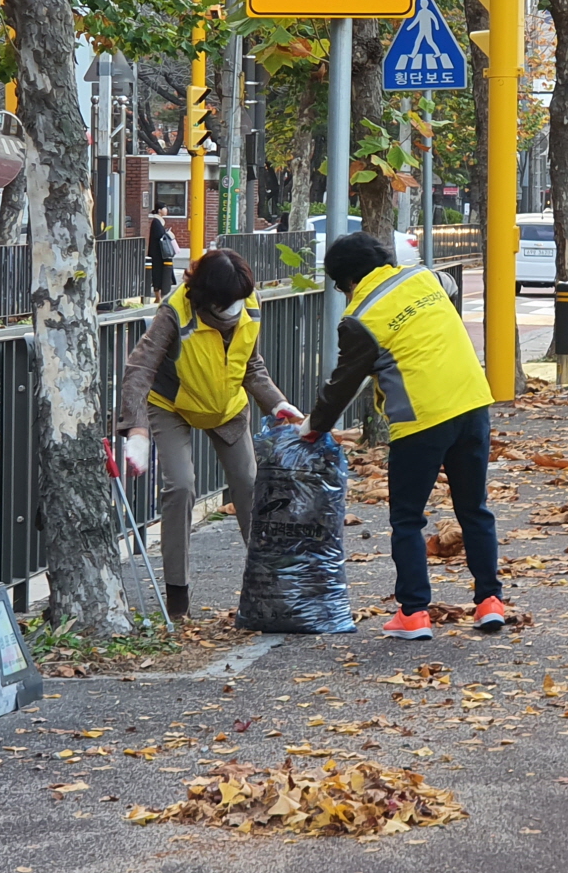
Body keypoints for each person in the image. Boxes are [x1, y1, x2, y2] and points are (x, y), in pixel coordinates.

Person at [301, 232, 506, 642]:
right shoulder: (424, 278)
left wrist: (313, 427)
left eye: (341, 287)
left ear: (348, 281)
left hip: (421, 420)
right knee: (474, 509)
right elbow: (449, 284)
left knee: (408, 519)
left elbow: (343, 384)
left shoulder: (360, 319)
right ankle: (490, 602)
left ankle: (413, 613)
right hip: (472, 404)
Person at [117, 249, 302, 619]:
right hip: (172, 404)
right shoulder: (176, 311)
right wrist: (137, 432)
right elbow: (140, 368)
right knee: (180, 486)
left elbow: (251, 365)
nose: (233, 310)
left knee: (249, 484)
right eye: (225, 304)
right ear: (205, 298)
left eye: (238, 301)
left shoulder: (250, 303)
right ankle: (177, 597)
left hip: (226, 407)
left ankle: (269, 585)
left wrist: (277, 403)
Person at [147, 205, 177, 300]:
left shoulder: (159, 221)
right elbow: (159, 236)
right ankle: (158, 296)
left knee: (162, 273)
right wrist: (167, 233)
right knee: (157, 273)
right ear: (159, 210)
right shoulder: (156, 222)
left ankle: (160, 295)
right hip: (157, 253)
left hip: (161, 253)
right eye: (164, 208)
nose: (166, 210)